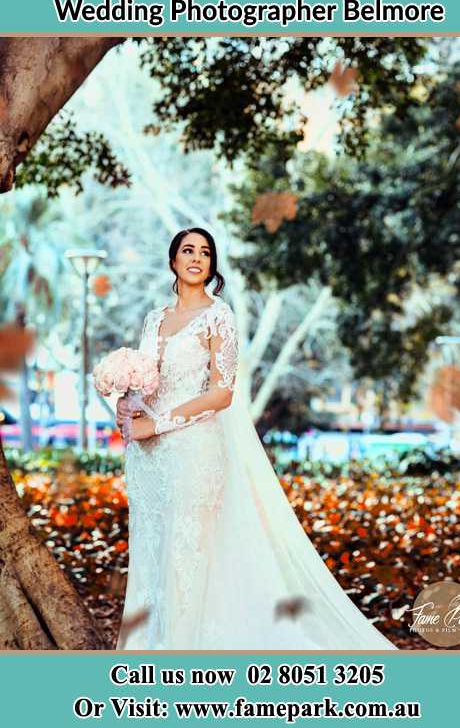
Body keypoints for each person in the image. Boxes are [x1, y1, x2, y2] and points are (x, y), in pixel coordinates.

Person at [115, 228, 397, 650]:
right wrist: (128, 400)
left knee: (187, 551)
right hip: (149, 457)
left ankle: (183, 649)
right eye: (188, 251)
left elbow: (222, 393)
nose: (197, 258)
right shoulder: (155, 318)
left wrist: (157, 425)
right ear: (173, 261)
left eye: (205, 253)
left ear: (212, 266)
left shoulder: (217, 316)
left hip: (193, 450)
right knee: (152, 549)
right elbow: (150, 380)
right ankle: (149, 646)